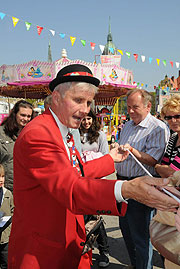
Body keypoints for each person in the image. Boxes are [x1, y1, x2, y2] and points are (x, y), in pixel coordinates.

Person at [8, 64, 178, 269]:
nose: (85, 109)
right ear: (56, 98)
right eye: (78, 100)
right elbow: (69, 186)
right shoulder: (40, 133)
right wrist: (127, 189)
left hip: (67, 241)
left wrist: (110, 160)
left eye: (89, 102)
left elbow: (74, 171)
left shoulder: (62, 130)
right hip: (43, 251)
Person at [115, 89, 170, 269]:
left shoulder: (157, 128)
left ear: (148, 106)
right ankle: (135, 264)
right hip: (122, 184)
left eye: (135, 107)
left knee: (141, 235)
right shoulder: (128, 125)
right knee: (126, 230)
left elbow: (154, 160)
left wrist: (132, 151)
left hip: (142, 186)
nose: (130, 111)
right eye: (128, 107)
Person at [79, 109, 110, 267]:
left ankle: (104, 251)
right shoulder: (73, 134)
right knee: (84, 217)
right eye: (83, 119)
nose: (86, 122)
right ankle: (86, 250)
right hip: (79, 180)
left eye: (89, 118)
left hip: (96, 180)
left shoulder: (100, 135)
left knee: (95, 217)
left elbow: (106, 157)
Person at [0, 100, 33, 192]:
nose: (26, 119)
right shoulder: (2, 134)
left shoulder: (31, 134)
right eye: (22, 115)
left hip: (25, 186)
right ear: (14, 114)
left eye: (28, 116)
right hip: (5, 188)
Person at [155, 95, 180, 177]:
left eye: (177, 116)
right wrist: (161, 168)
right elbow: (164, 163)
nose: (173, 121)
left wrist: (157, 167)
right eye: (169, 117)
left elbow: (172, 172)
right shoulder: (173, 138)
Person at [0, 164, 14, 269]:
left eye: (2, 176)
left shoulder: (8, 194)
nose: (1, 179)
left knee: (5, 263)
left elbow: (13, 212)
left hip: (5, 237)